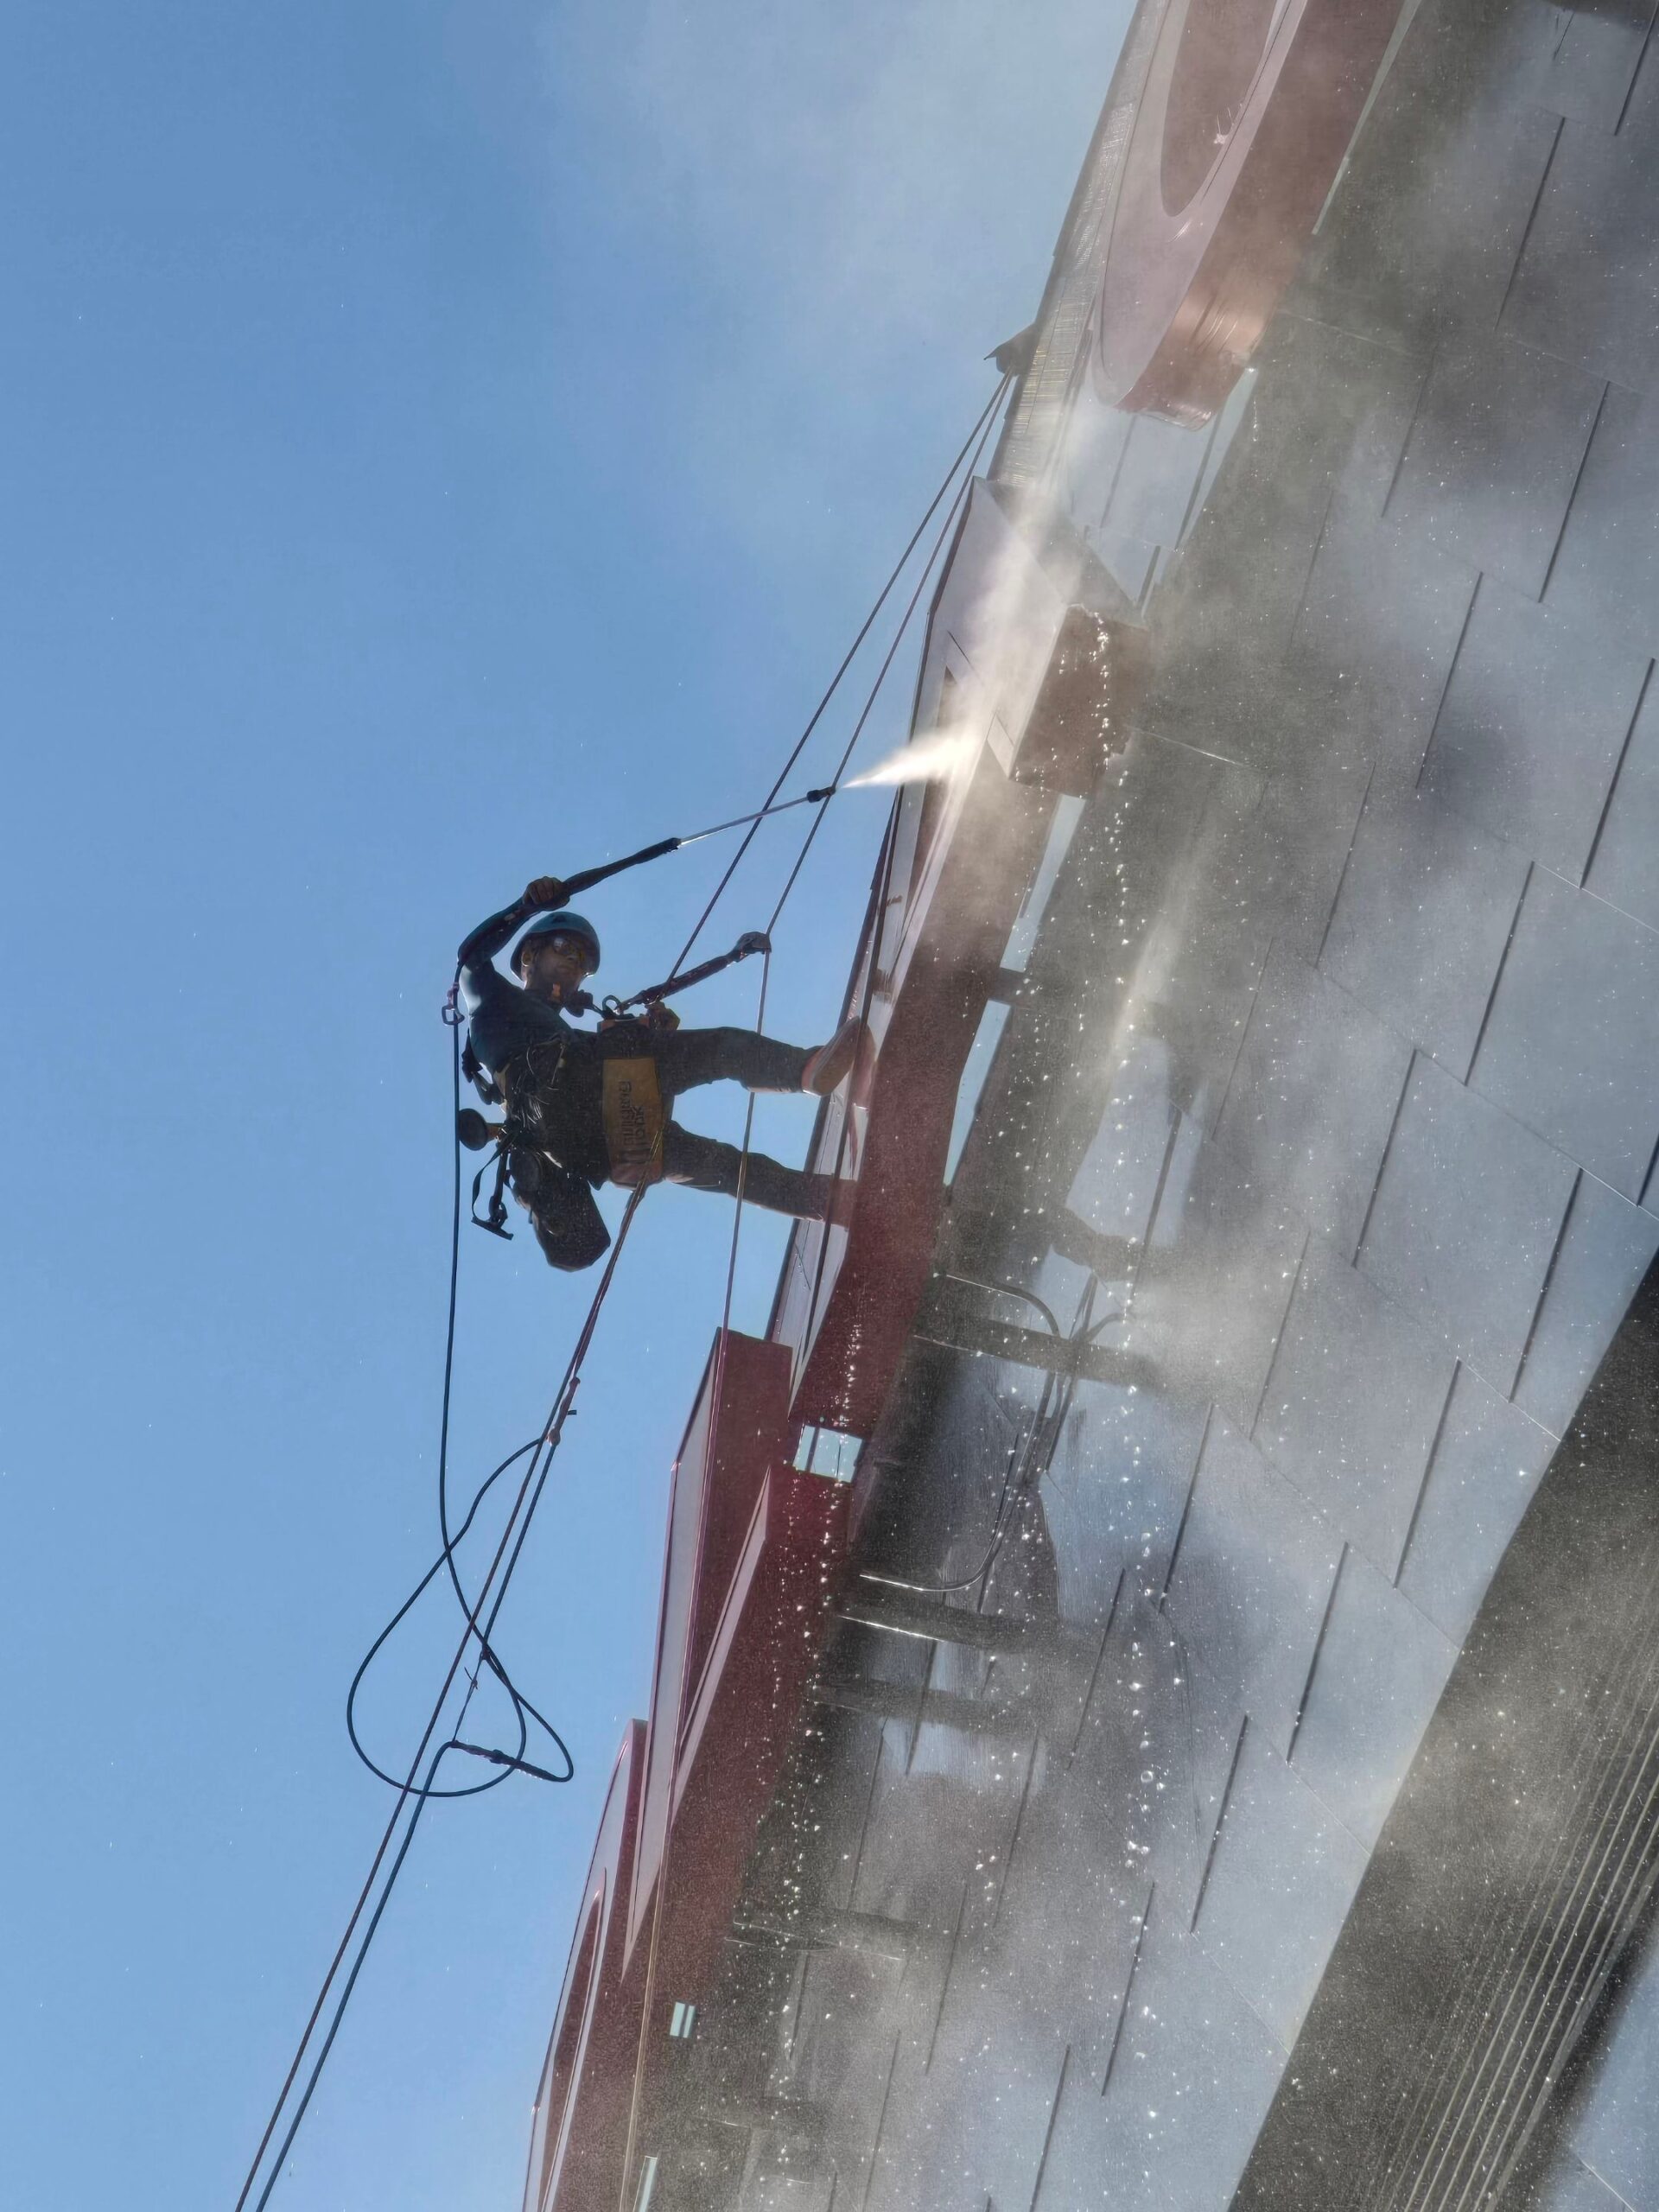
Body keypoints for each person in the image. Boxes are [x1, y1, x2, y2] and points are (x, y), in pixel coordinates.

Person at [457, 875, 861, 1271]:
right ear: (528, 956)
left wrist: (650, 1033)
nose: (573, 963)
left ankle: (831, 1200)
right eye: (564, 947)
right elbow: (470, 958)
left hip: (600, 1138)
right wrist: (525, 907)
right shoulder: (493, 1002)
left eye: (582, 962)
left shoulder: (566, 1036)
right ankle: (804, 1071)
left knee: (724, 1166)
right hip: (563, 1106)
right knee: (717, 1048)